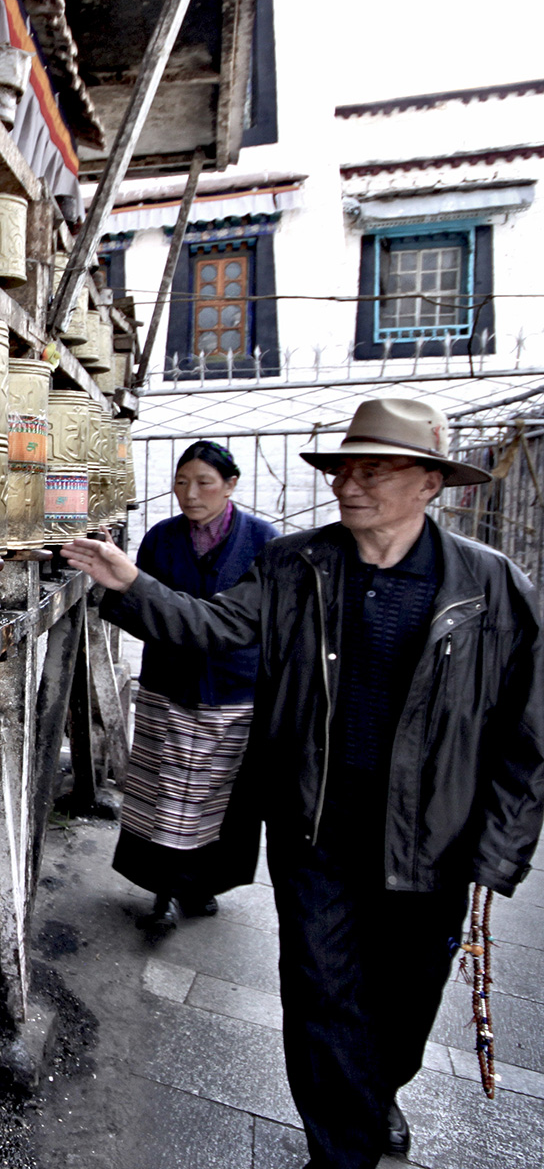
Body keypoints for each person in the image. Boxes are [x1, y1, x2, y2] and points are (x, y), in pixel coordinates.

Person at [61, 398, 544, 1169]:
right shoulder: (296, 566)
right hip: (316, 829)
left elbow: (530, 732)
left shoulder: (491, 589)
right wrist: (132, 584)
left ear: (429, 484)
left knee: (405, 1001)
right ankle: (341, 1146)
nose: (349, 484)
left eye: (373, 470)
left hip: (432, 841)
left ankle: (374, 1092)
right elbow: (216, 626)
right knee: (321, 993)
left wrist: (500, 851)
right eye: (344, 468)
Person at [103, 440, 278, 929]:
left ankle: (203, 884)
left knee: (219, 796)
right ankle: (162, 891)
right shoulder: (160, 539)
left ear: (231, 485)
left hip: (232, 691)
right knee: (164, 793)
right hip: (169, 685)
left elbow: (269, 622)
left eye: (204, 482)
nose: (190, 494)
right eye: (181, 483)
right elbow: (131, 606)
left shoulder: (264, 542)